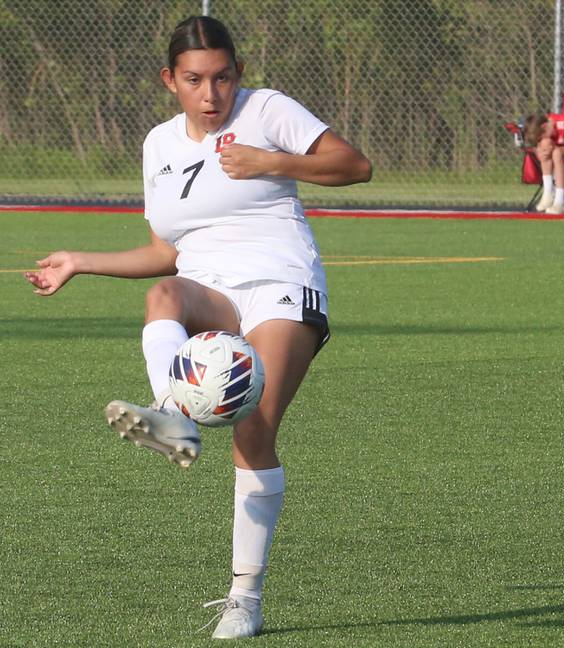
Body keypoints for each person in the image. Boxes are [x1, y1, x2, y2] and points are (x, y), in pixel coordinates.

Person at [24, 15, 371, 640]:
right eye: (194, 80)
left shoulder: (267, 109)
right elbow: (165, 252)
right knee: (164, 293)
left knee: (252, 431)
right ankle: (170, 411)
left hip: (282, 285)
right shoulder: (160, 145)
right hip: (211, 290)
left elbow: (355, 166)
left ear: (239, 74)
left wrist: (271, 160)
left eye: (222, 78)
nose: (211, 95)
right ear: (170, 80)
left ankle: (245, 595)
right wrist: (80, 261)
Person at [523, 111, 564, 214]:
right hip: (557, 158)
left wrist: (556, 150)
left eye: (540, 138)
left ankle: (559, 202)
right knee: (546, 145)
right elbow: (540, 146)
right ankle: (548, 194)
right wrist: (539, 151)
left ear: (545, 126)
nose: (540, 141)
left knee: (556, 152)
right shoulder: (544, 128)